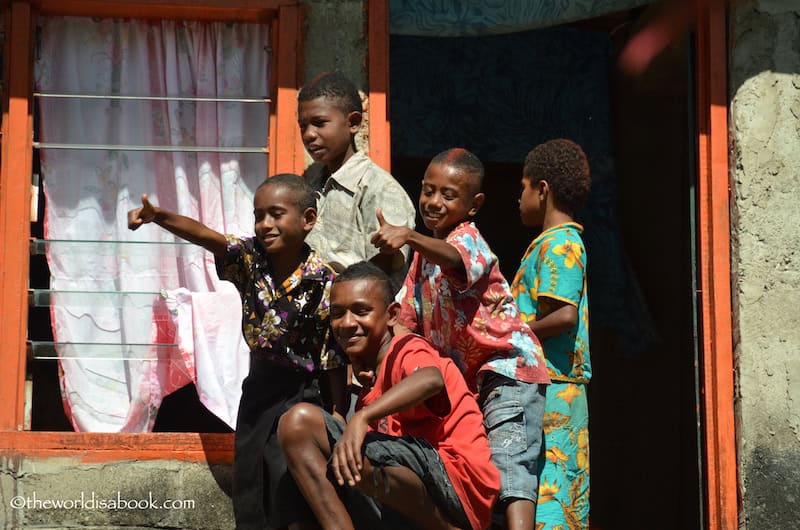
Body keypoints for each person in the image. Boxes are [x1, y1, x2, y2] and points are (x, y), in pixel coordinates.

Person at [127, 173, 348, 530]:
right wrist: (159, 216)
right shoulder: (251, 259)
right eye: (259, 215)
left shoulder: (324, 280)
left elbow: (332, 356)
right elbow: (208, 237)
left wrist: (338, 413)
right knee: (249, 476)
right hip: (259, 388)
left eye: (276, 214)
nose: (265, 224)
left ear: (308, 220)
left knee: (286, 480)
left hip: (302, 395)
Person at [371, 148, 550, 530]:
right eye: (427, 190)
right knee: (481, 469)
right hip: (468, 383)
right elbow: (403, 322)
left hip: (507, 369)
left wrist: (409, 236)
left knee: (510, 461)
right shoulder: (419, 262)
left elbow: (454, 257)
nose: (433, 202)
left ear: (474, 205)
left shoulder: (466, 238)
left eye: (448, 195)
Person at [277, 262, 500, 530]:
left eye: (361, 311)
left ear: (392, 314)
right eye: (337, 313)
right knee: (306, 434)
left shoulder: (407, 348)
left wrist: (362, 417)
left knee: (316, 429)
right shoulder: (371, 384)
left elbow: (431, 379)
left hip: (458, 484)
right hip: (414, 493)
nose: (347, 323)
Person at [510, 139, 592, 529]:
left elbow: (563, 316)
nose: (518, 198)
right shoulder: (548, 244)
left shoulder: (562, 243)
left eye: (522, 188)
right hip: (544, 385)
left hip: (556, 389)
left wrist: (516, 332)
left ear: (542, 190)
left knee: (554, 501)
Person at [297, 71, 416, 291]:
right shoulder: (311, 184)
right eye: (303, 126)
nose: (308, 135)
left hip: (359, 315)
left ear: (353, 123)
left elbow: (383, 268)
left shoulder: (379, 189)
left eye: (319, 123)